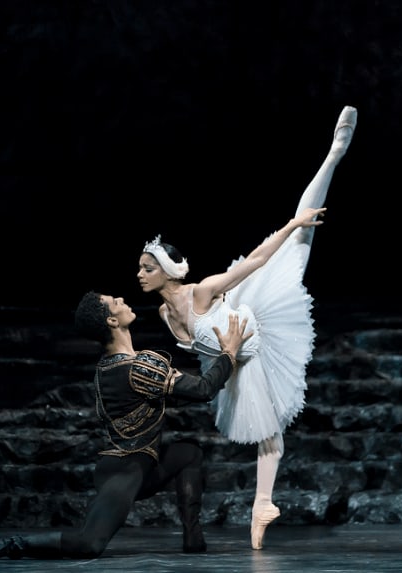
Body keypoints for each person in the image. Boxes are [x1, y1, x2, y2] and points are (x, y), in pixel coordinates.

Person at [137, 105, 357, 550]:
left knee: (300, 240)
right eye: (140, 268)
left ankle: (334, 154)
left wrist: (292, 223)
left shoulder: (200, 292)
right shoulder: (163, 315)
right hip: (236, 361)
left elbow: (255, 260)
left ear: (168, 272)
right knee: (269, 438)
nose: (139, 274)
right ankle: (262, 507)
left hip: (256, 313)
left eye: (147, 268)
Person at [0, 290, 253, 560]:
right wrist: (229, 352)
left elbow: (180, 395)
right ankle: (6, 545)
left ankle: (193, 537)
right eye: (114, 301)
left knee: (189, 453)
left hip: (143, 465)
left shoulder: (112, 366)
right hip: (124, 470)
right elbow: (202, 390)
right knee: (88, 544)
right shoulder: (137, 368)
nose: (121, 299)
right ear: (112, 321)